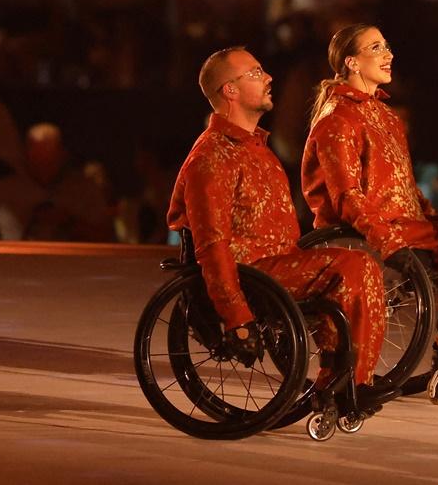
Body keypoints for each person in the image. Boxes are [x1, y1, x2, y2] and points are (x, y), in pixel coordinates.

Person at [167, 46, 390, 405]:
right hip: (250, 276)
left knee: (353, 264)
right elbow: (211, 245)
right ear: (230, 90)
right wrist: (237, 316)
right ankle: (351, 382)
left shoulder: (258, 150)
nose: (269, 77)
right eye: (255, 73)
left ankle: (346, 375)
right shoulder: (211, 158)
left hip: (278, 264)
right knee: (355, 265)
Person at [301, 24, 438, 377]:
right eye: (376, 48)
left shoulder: (387, 116)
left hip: (407, 224)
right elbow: (346, 198)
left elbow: (405, 185)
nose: (389, 54)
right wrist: (386, 237)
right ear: (352, 63)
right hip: (364, 228)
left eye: (387, 45)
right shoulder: (337, 119)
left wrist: (431, 216)